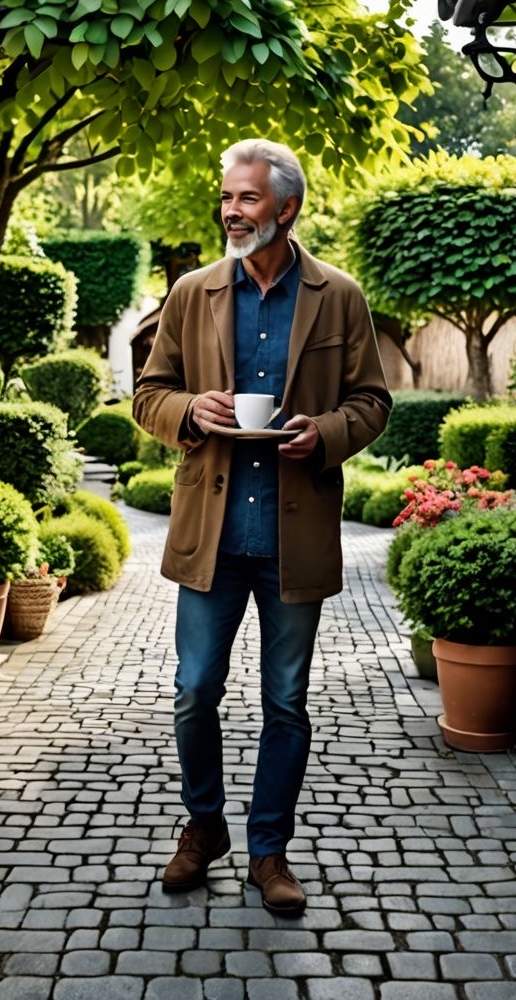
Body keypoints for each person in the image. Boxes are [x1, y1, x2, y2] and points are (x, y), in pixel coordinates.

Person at [133, 139, 391, 916]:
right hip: (211, 534)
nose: (231, 211)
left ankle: (269, 850)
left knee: (286, 703)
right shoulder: (192, 293)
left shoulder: (339, 295)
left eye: (246, 199)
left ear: (287, 208)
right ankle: (204, 828)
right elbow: (150, 393)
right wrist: (188, 411)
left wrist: (329, 434)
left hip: (292, 537)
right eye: (227, 198)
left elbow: (373, 402)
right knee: (192, 693)